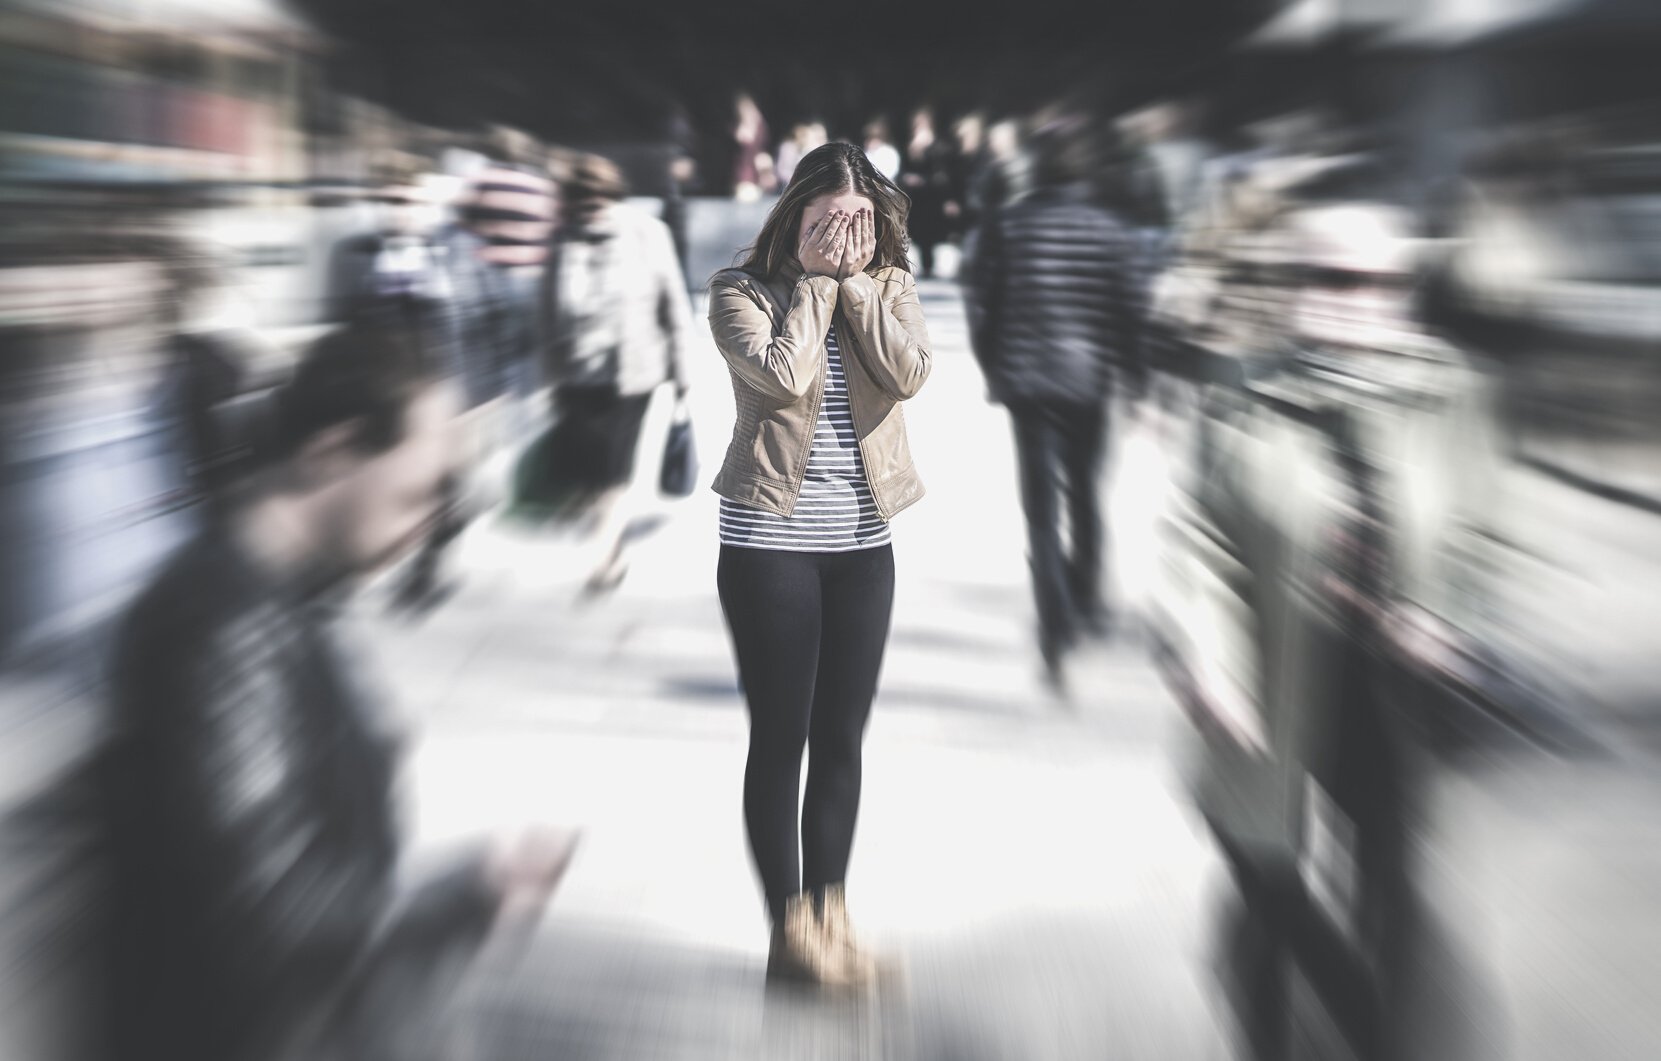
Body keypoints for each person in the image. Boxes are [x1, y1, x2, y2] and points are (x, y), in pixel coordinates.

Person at [95, 319, 578, 1061]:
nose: (431, 523)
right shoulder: (221, 626)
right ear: (331, 451)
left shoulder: (279, 597)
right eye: (419, 493)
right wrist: (467, 888)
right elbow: (272, 910)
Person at [706, 142, 931, 987]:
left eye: (860, 222)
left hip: (864, 548)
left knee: (842, 737)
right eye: (829, 222)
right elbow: (782, 377)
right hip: (771, 547)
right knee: (782, 737)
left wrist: (859, 287)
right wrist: (813, 282)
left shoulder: (892, 288)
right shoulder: (740, 292)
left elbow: (907, 373)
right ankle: (788, 932)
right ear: (794, 216)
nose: (847, 236)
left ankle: (832, 917)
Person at [964, 119, 1146, 693]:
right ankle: (1085, 599)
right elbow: (1129, 310)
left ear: (1036, 166)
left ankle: (1054, 621)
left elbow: (983, 304)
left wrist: (994, 367)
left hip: (1029, 383)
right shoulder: (1109, 229)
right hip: (1089, 382)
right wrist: (1136, 377)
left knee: (1041, 511)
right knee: (1086, 493)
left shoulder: (1007, 226)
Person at [541, 153, 693, 595]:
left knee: (613, 470)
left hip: (633, 374)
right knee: (590, 474)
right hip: (576, 376)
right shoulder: (561, 240)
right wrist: (549, 379)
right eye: (581, 204)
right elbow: (546, 313)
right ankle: (611, 541)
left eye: (597, 201)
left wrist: (683, 372)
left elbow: (673, 303)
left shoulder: (647, 233)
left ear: (612, 196)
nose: (590, 211)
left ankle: (604, 558)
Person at [862, 117, 901, 182]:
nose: (868, 142)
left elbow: (889, 174)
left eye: (872, 138)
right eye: (867, 138)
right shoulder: (866, 153)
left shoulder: (889, 153)